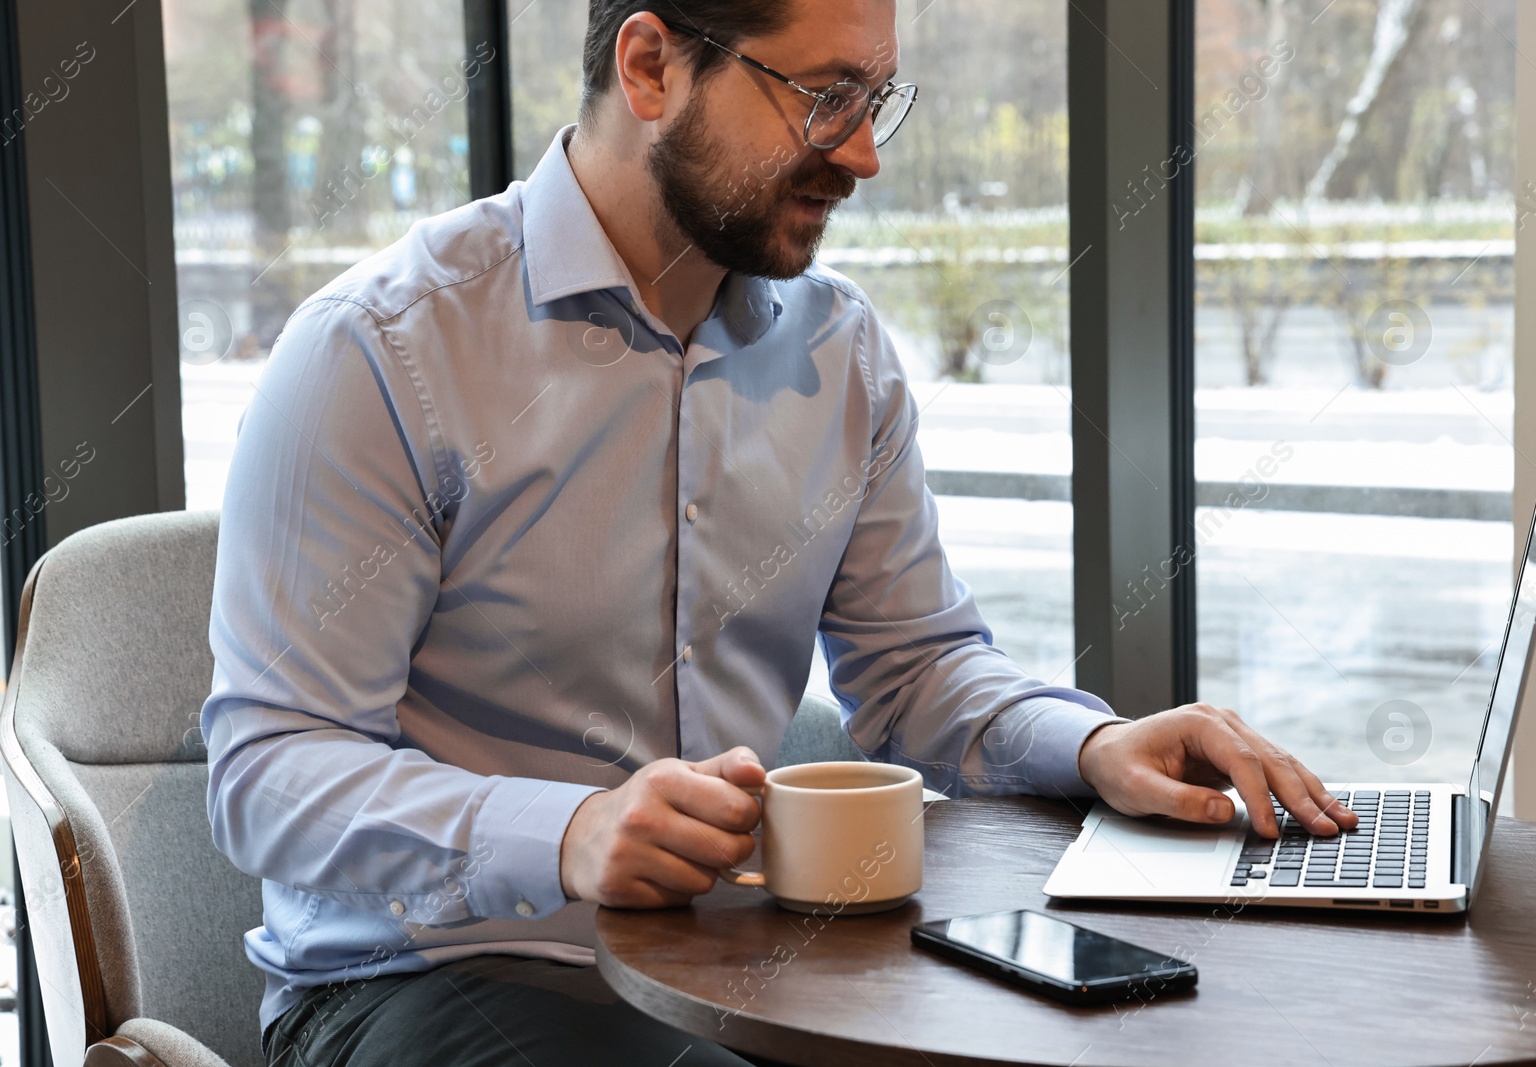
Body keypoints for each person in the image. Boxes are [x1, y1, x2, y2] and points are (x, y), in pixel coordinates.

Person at [202, 1, 1359, 1064]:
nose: (862, 154)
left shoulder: (839, 352)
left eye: (876, 104)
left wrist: (1096, 745)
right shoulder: (383, 351)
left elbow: (913, 671)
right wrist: (566, 833)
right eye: (823, 98)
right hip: (425, 977)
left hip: (747, 968)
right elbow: (268, 771)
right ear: (651, 66)